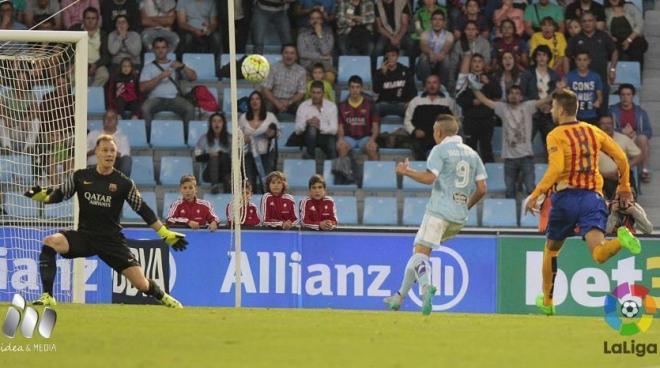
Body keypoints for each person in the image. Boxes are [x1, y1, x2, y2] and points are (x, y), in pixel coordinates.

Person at [25, 134, 187, 308]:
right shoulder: (80, 176)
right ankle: (48, 296)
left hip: (112, 241)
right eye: (105, 150)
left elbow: (142, 209)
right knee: (50, 242)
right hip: (85, 237)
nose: (109, 154)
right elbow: (58, 195)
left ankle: (163, 296)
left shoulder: (124, 183)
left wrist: (164, 232)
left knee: (141, 284)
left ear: (116, 154)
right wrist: (43, 196)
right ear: (97, 152)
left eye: (112, 151)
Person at [524, 88, 641, 316]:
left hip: (566, 199)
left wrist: (536, 193)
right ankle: (620, 239)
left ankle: (547, 303)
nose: (552, 112)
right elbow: (620, 157)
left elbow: (557, 168)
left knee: (551, 250)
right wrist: (624, 185)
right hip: (592, 198)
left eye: (553, 108)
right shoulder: (593, 131)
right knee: (598, 254)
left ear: (559, 109)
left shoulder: (555, 135)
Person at [384, 114, 487, 315]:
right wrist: (466, 206)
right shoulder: (473, 154)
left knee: (420, 255)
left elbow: (430, 178)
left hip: (439, 212)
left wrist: (407, 171)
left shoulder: (440, 150)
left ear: (438, 132)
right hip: (458, 218)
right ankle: (398, 298)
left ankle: (426, 288)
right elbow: (482, 188)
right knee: (418, 254)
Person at [472, 81, 561, 198]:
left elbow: (546, 100)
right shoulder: (502, 108)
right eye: (511, 93)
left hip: (526, 158)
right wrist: (473, 87)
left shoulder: (528, 106)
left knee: (531, 190)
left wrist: (557, 89)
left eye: (517, 93)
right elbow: (484, 100)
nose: (514, 95)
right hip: (509, 159)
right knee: (509, 192)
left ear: (521, 97)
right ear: (507, 96)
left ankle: (531, 216)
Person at [139, 37, 196, 139]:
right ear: (153, 50)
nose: (161, 50)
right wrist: (160, 77)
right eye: (157, 48)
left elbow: (193, 77)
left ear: (168, 49)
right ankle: (147, 139)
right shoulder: (148, 67)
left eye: (163, 47)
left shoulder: (175, 64)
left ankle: (187, 139)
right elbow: (142, 88)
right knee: (145, 108)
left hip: (174, 98)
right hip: (155, 99)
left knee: (190, 108)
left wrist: (183, 66)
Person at [565, 11, 617, 109]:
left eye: (590, 20)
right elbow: (566, 57)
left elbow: (614, 51)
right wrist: (567, 77)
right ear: (581, 23)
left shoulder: (603, 36)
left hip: (601, 80)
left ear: (595, 21)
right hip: (580, 84)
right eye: (584, 21)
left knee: (602, 111)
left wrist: (612, 69)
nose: (587, 23)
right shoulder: (575, 39)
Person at [456, 53, 501, 163]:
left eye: (479, 61)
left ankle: (489, 174)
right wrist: (472, 102)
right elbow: (459, 99)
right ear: (470, 64)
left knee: (486, 146)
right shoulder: (464, 80)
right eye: (474, 61)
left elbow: (498, 94)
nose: (477, 64)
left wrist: (488, 83)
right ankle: (468, 175)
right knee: (470, 148)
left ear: (484, 64)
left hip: (487, 119)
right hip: (470, 119)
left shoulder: (490, 78)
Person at [404, 74, 458, 160]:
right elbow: (407, 121)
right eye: (429, 83)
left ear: (439, 85)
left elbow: (456, 121)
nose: (432, 86)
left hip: (442, 138)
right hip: (421, 138)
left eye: (434, 83)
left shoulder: (449, 102)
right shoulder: (416, 101)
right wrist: (414, 131)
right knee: (417, 146)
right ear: (425, 85)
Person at [609, 83, 653, 183]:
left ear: (632, 96)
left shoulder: (641, 112)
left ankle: (644, 170)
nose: (625, 97)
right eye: (623, 95)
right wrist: (622, 132)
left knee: (643, 138)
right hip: (619, 139)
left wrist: (634, 133)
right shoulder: (612, 111)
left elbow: (648, 131)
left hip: (635, 139)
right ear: (619, 96)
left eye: (628, 94)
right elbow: (606, 128)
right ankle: (623, 169)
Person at [520, 45, 561, 146]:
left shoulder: (554, 75)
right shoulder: (527, 74)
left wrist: (550, 106)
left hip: (548, 115)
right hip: (531, 115)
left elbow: (558, 97)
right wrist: (537, 105)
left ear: (548, 58)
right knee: (524, 145)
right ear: (535, 57)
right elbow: (521, 95)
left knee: (552, 147)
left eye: (544, 55)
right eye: (539, 55)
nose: (542, 58)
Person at [239, 90, 279, 192]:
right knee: (249, 184)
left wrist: (271, 133)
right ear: (249, 102)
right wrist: (243, 138)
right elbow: (237, 136)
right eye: (252, 99)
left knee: (266, 184)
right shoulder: (243, 118)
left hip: (266, 154)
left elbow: (278, 133)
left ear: (261, 101)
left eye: (257, 99)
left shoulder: (270, 116)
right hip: (248, 155)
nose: (255, 101)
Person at [337, 75, 380, 161]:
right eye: (352, 87)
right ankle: (342, 173)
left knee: (372, 148)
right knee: (341, 147)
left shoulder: (370, 104)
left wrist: (372, 140)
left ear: (361, 88)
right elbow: (340, 127)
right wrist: (341, 139)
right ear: (349, 89)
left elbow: (375, 126)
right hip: (349, 137)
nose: (355, 90)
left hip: (365, 137)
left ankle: (375, 173)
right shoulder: (342, 105)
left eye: (357, 87)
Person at [598, 115, 641, 199]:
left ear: (613, 125)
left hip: (624, 176)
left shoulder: (623, 139)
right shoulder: (593, 140)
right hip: (603, 179)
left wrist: (626, 167)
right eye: (603, 124)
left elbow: (639, 155)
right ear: (599, 125)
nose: (607, 126)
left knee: (629, 202)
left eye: (609, 123)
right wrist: (603, 174)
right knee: (612, 203)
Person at [294, 80, 338, 160]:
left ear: (323, 94)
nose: (315, 95)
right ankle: (311, 158)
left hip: (324, 137)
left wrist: (319, 125)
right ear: (310, 93)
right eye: (313, 92)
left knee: (331, 141)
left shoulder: (331, 106)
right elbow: (297, 129)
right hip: (306, 137)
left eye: (318, 93)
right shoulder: (303, 106)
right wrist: (307, 122)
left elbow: (334, 129)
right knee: (312, 128)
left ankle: (332, 168)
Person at [261, 44, 307, 115]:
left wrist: (289, 102)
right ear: (282, 55)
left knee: (303, 109)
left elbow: (301, 92)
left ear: (296, 56)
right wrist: (276, 102)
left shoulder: (301, 71)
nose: (289, 56)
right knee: (267, 107)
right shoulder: (274, 68)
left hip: (292, 102)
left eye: (292, 53)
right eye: (286, 53)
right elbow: (266, 89)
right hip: (274, 100)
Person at [372, 45, 417, 118]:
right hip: (384, 104)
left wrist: (409, 102)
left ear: (397, 57)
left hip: (402, 104)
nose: (391, 58)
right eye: (388, 56)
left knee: (414, 110)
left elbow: (413, 91)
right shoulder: (379, 73)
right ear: (385, 58)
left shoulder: (405, 70)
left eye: (393, 55)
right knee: (374, 109)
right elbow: (375, 91)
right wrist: (382, 74)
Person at [86, 109, 132, 176]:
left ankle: (122, 184)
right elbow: (82, 152)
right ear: (103, 121)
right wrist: (94, 150)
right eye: (106, 117)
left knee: (127, 160)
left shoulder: (123, 138)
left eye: (112, 117)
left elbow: (124, 156)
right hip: (94, 167)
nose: (109, 119)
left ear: (117, 121)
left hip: (112, 169)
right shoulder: (93, 134)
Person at [194, 112, 231, 194]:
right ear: (210, 124)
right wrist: (209, 155)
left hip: (226, 172)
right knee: (214, 157)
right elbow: (197, 157)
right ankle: (214, 185)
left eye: (219, 121)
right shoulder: (204, 138)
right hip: (209, 174)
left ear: (223, 124)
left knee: (224, 156)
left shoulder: (230, 139)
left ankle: (227, 193)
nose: (217, 124)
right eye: (214, 121)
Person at [605, 0, 647, 67]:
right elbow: (604, 29)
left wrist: (628, 40)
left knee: (637, 47)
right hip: (616, 41)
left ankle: (637, 74)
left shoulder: (630, 7)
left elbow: (640, 25)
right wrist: (610, 37)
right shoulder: (606, 11)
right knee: (612, 49)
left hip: (633, 38)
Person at [565, 50, 603, 125]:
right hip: (574, 116)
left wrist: (598, 101)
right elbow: (565, 96)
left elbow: (600, 97)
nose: (582, 62)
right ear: (575, 61)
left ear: (589, 61)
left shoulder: (596, 76)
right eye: (579, 59)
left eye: (585, 60)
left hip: (591, 116)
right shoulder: (569, 76)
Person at [416, 9, 454, 85]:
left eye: (440, 20)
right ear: (431, 21)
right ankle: (426, 84)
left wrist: (442, 53)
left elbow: (447, 47)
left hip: (441, 63)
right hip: (427, 63)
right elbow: (424, 46)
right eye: (435, 19)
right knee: (423, 57)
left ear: (444, 23)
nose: (437, 22)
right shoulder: (425, 34)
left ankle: (443, 85)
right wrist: (431, 53)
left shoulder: (449, 35)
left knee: (446, 58)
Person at [297, 8, 335, 73]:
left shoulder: (329, 34)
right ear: (309, 21)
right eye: (313, 18)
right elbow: (302, 53)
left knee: (330, 76)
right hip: (308, 65)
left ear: (322, 20)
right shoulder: (302, 34)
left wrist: (319, 35)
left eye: (318, 18)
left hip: (324, 66)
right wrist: (321, 57)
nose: (315, 21)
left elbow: (325, 52)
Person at [80, 7, 110, 87]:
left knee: (104, 75)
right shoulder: (75, 30)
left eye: (93, 18)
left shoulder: (103, 33)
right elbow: (69, 50)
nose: (90, 21)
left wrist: (96, 65)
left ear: (97, 20)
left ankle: (91, 94)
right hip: (79, 64)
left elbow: (106, 55)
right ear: (83, 19)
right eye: (88, 18)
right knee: (70, 76)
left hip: (97, 64)